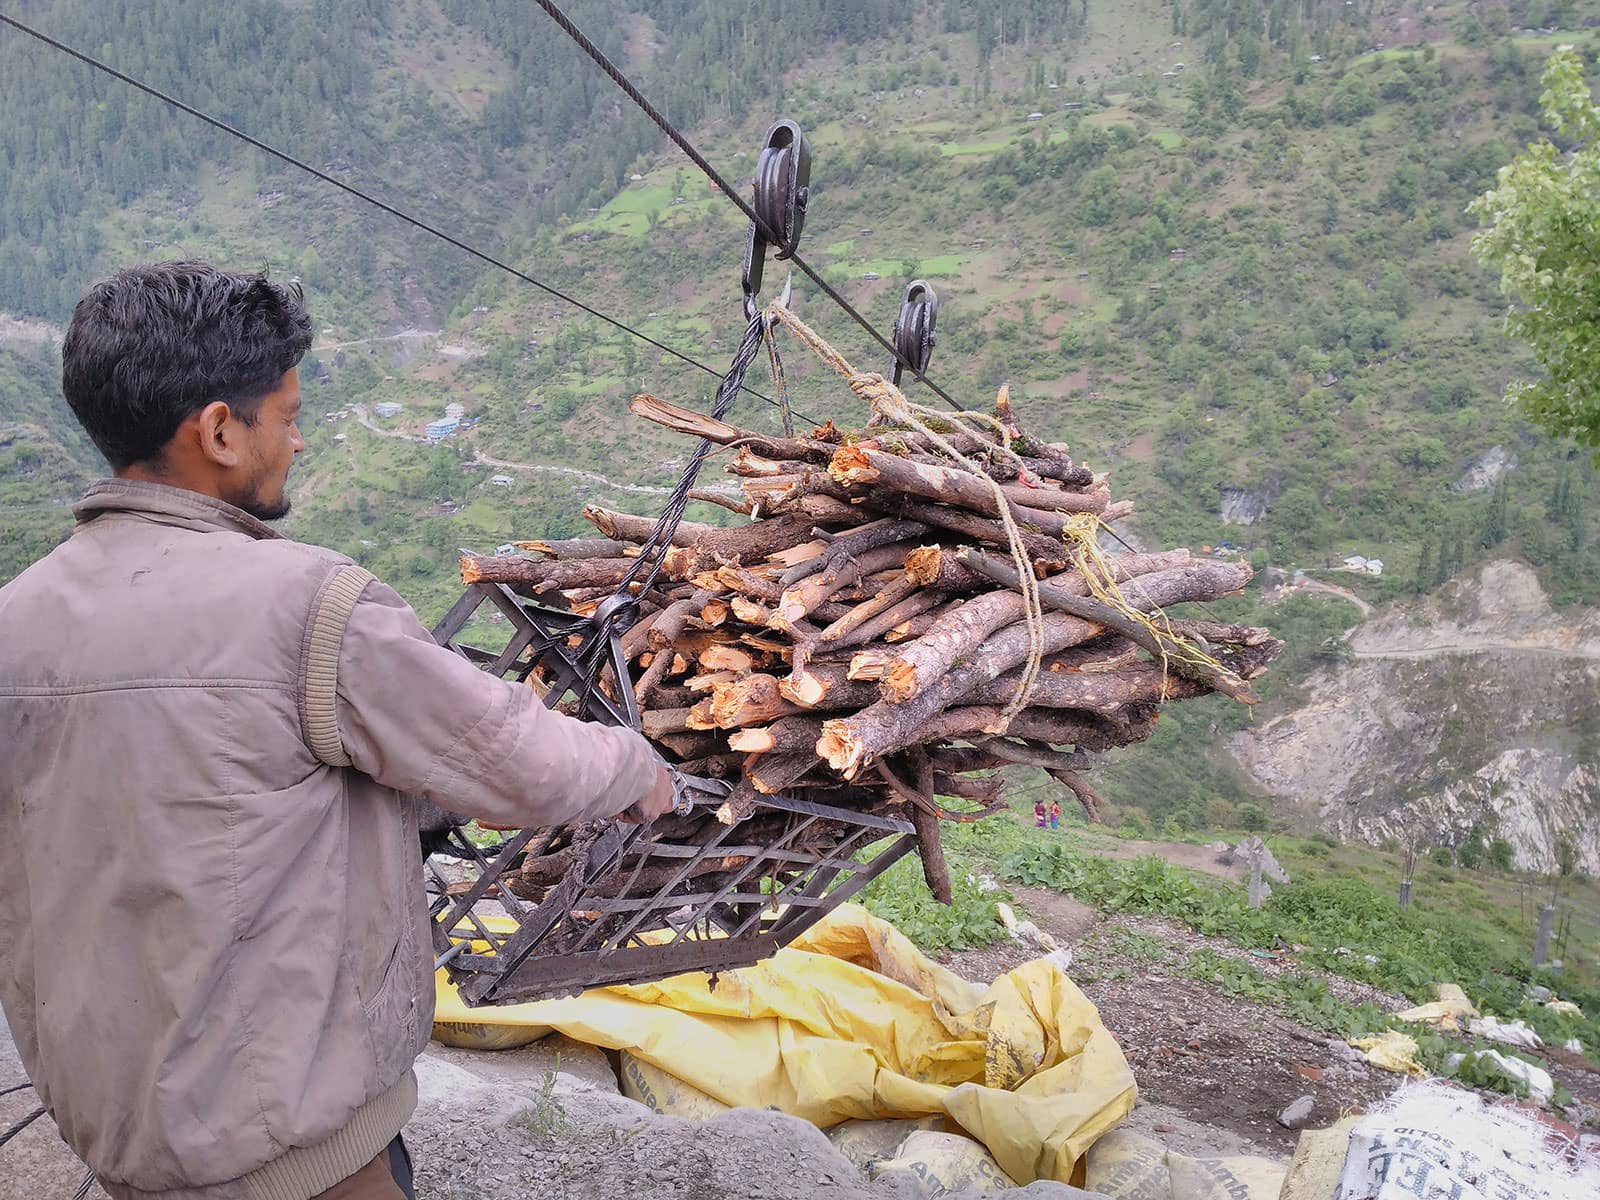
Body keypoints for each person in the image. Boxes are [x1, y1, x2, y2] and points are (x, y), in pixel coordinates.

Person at [0, 262, 675, 1200]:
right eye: (285, 415)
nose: (300, 438)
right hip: (290, 1144)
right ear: (220, 432)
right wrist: (637, 766)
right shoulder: (308, 605)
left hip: (116, 1124)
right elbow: (518, 760)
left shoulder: (15, 619)